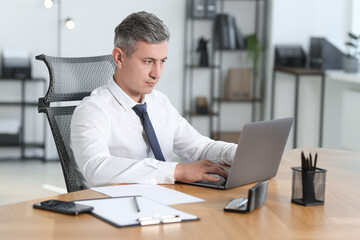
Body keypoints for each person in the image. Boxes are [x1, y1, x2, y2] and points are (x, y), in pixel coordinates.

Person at [70, 11, 237, 188]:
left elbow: (200, 148)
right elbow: (96, 168)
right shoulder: (93, 110)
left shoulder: (159, 102)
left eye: (162, 61)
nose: (156, 74)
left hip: (166, 201)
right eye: (148, 61)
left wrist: (242, 154)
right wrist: (176, 171)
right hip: (115, 207)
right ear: (119, 58)